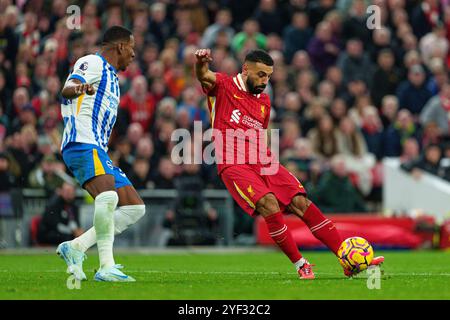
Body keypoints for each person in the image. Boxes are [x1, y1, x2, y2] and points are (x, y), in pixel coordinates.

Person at [194, 48, 384, 279]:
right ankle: (300, 264)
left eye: (269, 76)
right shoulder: (224, 84)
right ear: (245, 69)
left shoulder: (264, 101)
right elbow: (204, 75)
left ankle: (347, 259)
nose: (265, 81)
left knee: (301, 202)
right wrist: (200, 62)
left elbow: (261, 134)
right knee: (269, 204)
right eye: (261, 75)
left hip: (262, 161)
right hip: (234, 164)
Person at [56, 26, 146, 282]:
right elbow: (68, 88)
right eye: (131, 48)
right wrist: (83, 89)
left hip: (97, 147)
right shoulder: (92, 62)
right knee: (107, 196)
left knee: (134, 207)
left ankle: (76, 247)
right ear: (120, 46)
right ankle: (106, 266)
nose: (133, 54)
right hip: (81, 142)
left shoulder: (114, 78)